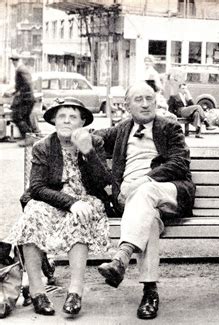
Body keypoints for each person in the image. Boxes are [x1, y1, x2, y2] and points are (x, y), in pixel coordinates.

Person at [95, 82, 196, 320]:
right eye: (138, 99)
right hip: (138, 207)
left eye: (149, 98)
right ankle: (150, 292)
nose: (145, 103)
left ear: (156, 101)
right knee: (148, 221)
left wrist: (145, 180)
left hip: (169, 192)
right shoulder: (122, 129)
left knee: (144, 192)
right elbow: (94, 139)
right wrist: (75, 136)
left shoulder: (169, 128)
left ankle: (122, 255)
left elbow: (180, 163)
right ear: (127, 105)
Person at [5, 97, 112, 317]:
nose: (66, 121)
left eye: (73, 117)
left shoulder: (95, 142)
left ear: (82, 122)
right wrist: (70, 203)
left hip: (87, 199)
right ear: (54, 120)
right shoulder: (43, 146)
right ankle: (37, 291)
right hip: (54, 200)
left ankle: (75, 291)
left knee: (82, 215)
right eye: (61, 116)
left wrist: (88, 152)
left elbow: (103, 182)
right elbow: (36, 188)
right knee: (32, 214)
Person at [6, 54, 40, 146]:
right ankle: (31, 137)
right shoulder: (22, 69)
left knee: (17, 117)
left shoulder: (20, 70)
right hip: (27, 98)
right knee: (24, 118)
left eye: (14, 60)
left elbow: (27, 83)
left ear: (16, 61)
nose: (13, 62)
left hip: (26, 99)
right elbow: (21, 86)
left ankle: (28, 139)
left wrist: (21, 94)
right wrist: (13, 93)